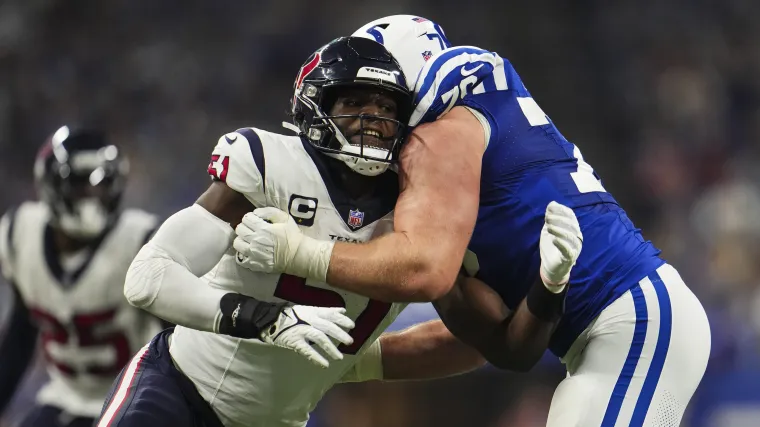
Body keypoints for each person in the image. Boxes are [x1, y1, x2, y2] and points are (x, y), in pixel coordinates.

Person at [232, 15, 712, 426]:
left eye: (380, 98)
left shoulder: (444, 133)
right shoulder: (450, 165)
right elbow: (493, 347)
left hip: (632, 316)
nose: (373, 118)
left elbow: (425, 270)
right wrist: (351, 360)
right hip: (617, 329)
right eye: (356, 101)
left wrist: (300, 253)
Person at [99, 36, 550, 427]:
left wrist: (550, 288)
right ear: (314, 105)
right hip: (177, 389)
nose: (374, 118)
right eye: (354, 103)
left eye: (386, 107)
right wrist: (268, 319)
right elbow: (149, 277)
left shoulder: (418, 213)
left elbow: (482, 344)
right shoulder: (270, 166)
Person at [0, 126, 163, 427]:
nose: (93, 194)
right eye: (79, 183)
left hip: (132, 396)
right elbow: (22, 332)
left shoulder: (141, 243)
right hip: (64, 396)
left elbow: (178, 342)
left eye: (102, 183)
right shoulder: (20, 234)